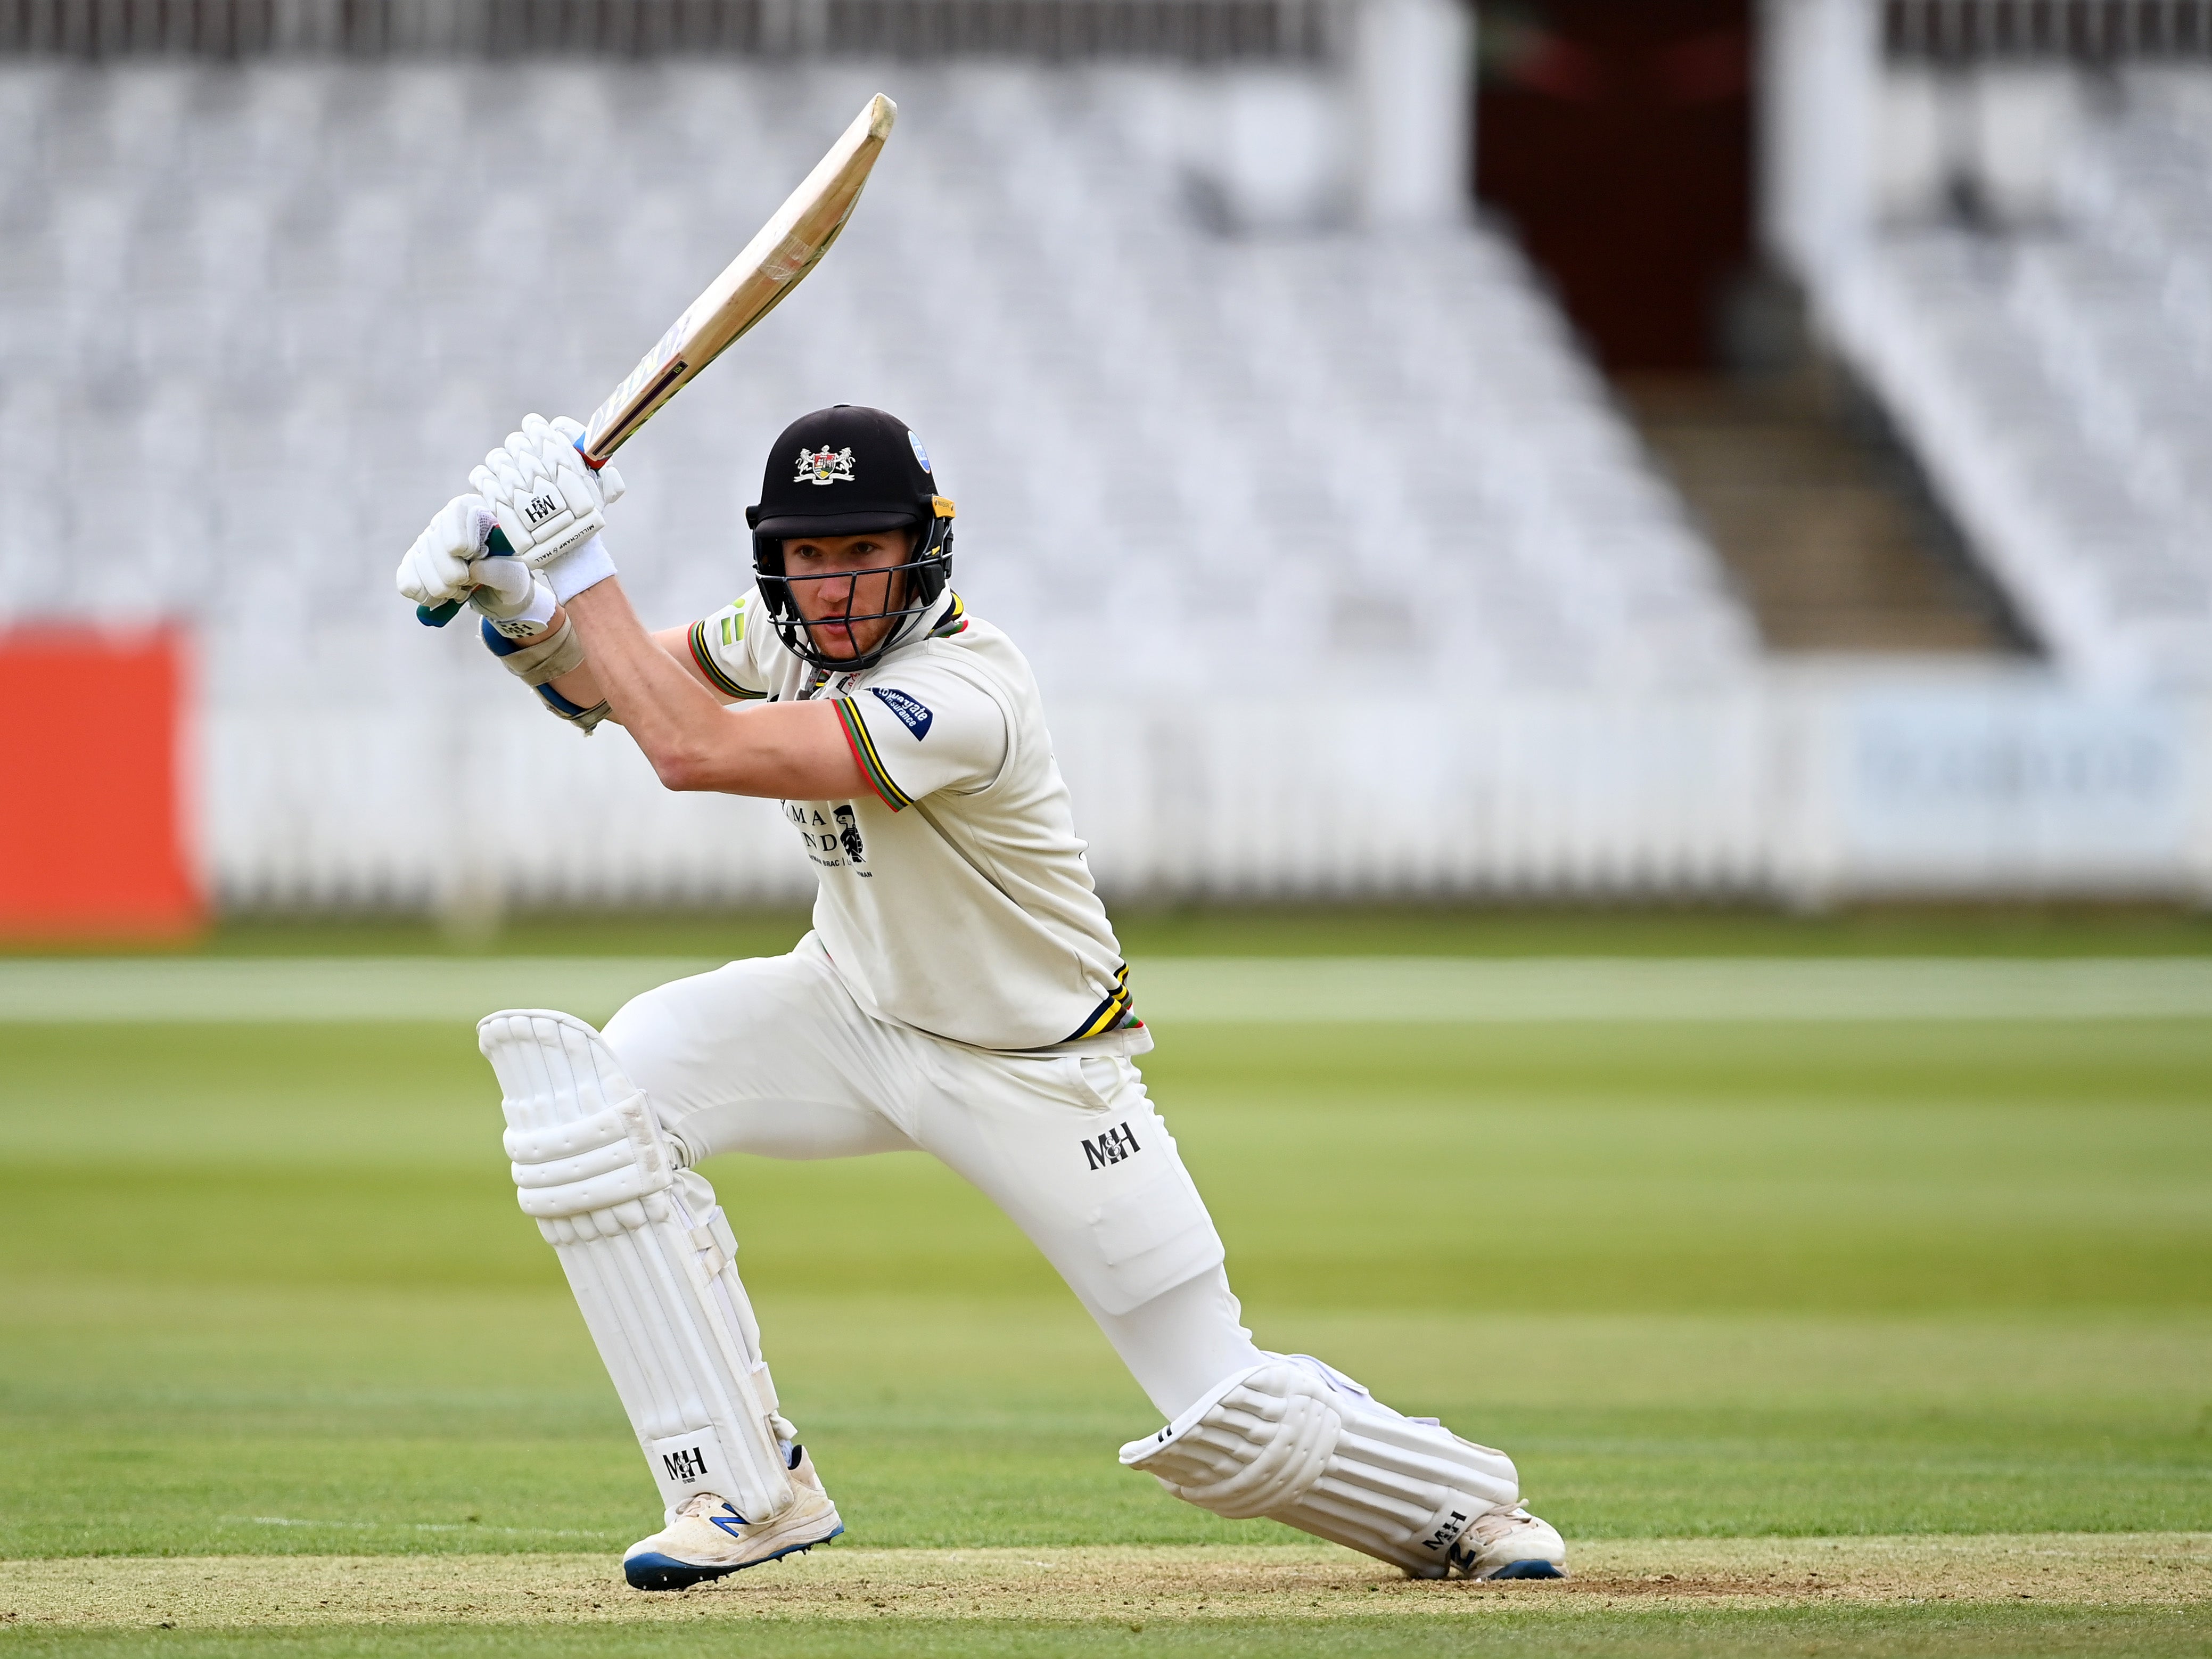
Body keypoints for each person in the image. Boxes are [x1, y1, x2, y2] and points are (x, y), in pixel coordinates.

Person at [396, 404, 1569, 1592]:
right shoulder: (781, 632)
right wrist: (524, 606)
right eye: (810, 556)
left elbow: (693, 748)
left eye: (864, 552)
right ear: (775, 561)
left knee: (1220, 1412)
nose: (836, 586)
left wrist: (578, 557)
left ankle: (1462, 1504)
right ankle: (745, 1492)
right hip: (849, 1009)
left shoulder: (966, 689)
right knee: (600, 1099)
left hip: (1032, 1067)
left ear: (924, 546)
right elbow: (615, 690)